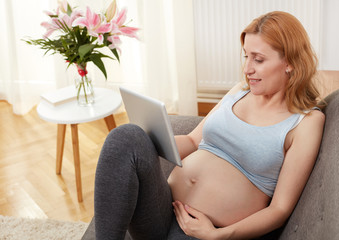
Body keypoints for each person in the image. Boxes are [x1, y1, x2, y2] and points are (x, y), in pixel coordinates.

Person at [94, 11, 325, 240]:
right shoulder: (239, 91)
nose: (247, 70)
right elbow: (194, 140)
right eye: (246, 57)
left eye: (259, 59)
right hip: (165, 207)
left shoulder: (305, 122)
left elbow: (280, 210)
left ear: (290, 63)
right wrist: (150, 140)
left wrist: (218, 235)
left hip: (207, 232)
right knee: (126, 136)